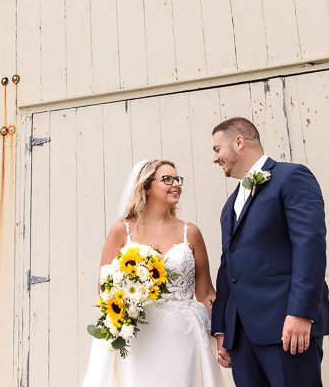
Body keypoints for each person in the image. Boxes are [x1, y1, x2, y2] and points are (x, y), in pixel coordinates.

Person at [210, 117, 329, 387]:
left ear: (239, 142)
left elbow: (310, 245)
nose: (215, 159)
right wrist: (222, 328)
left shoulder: (291, 177)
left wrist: (301, 312)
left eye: (217, 149)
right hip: (242, 335)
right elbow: (227, 266)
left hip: (286, 325)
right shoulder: (230, 204)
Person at [81, 159, 224, 386]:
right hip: (139, 337)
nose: (176, 184)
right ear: (146, 187)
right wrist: (125, 309)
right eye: (167, 179)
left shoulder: (191, 232)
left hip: (184, 335)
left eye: (178, 179)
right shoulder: (122, 230)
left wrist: (222, 333)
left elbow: (206, 293)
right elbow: (104, 287)